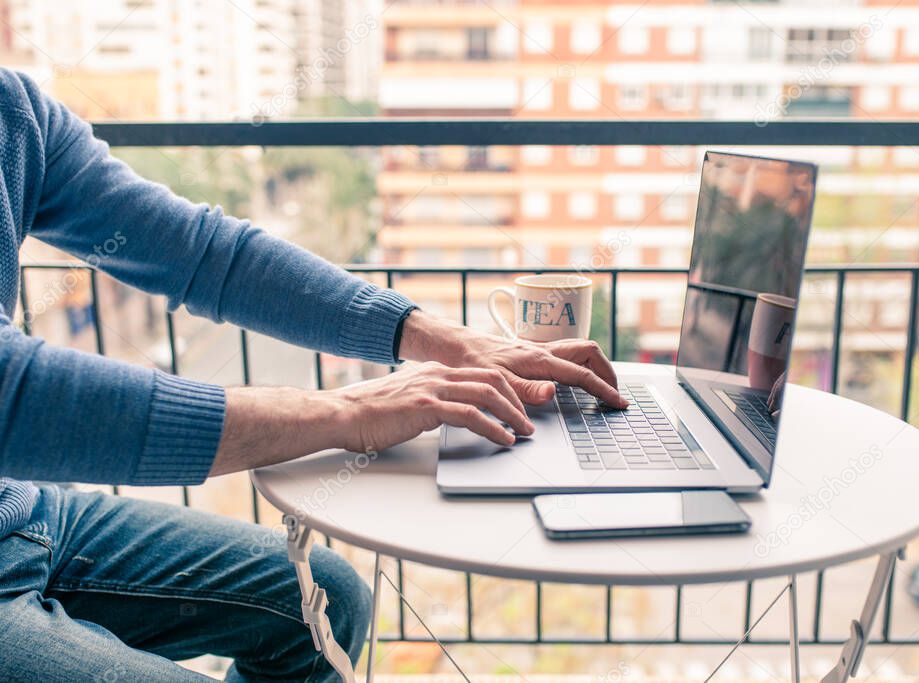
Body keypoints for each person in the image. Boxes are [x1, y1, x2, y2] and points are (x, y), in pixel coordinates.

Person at [0, 68, 625, 681]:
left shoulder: (15, 110)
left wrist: (448, 341)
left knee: (329, 601)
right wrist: (343, 413)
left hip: (23, 514)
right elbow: (15, 396)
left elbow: (203, 253)